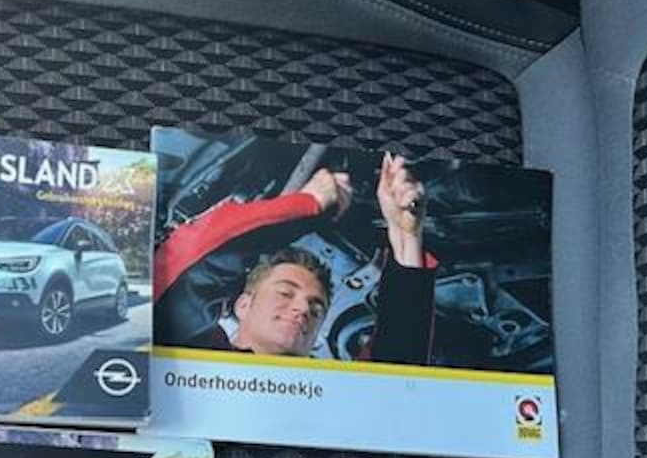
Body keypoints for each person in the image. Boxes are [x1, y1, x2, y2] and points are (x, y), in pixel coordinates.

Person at [153, 152, 436, 364]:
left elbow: (395, 379)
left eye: (316, 309)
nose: (302, 309)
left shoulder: (331, 394)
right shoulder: (184, 355)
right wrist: (306, 205)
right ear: (243, 305)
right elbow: (182, 274)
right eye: (285, 293)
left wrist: (406, 235)